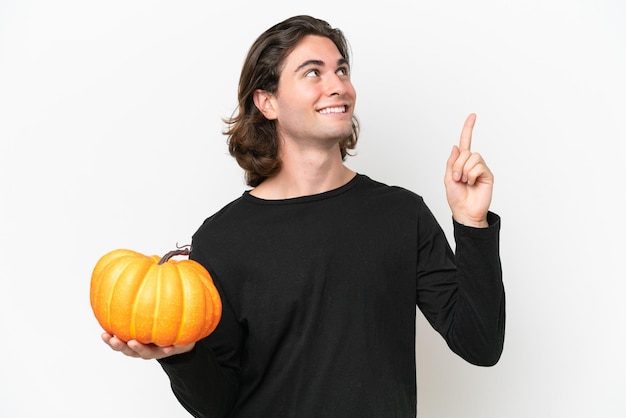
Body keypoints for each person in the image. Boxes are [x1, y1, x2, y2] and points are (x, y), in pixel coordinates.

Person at [101, 14, 505, 417]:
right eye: (313, 72)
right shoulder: (222, 239)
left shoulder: (401, 214)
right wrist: (181, 354)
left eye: (341, 70)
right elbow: (218, 404)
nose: (338, 86)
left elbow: (479, 344)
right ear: (268, 102)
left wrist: (472, 224)